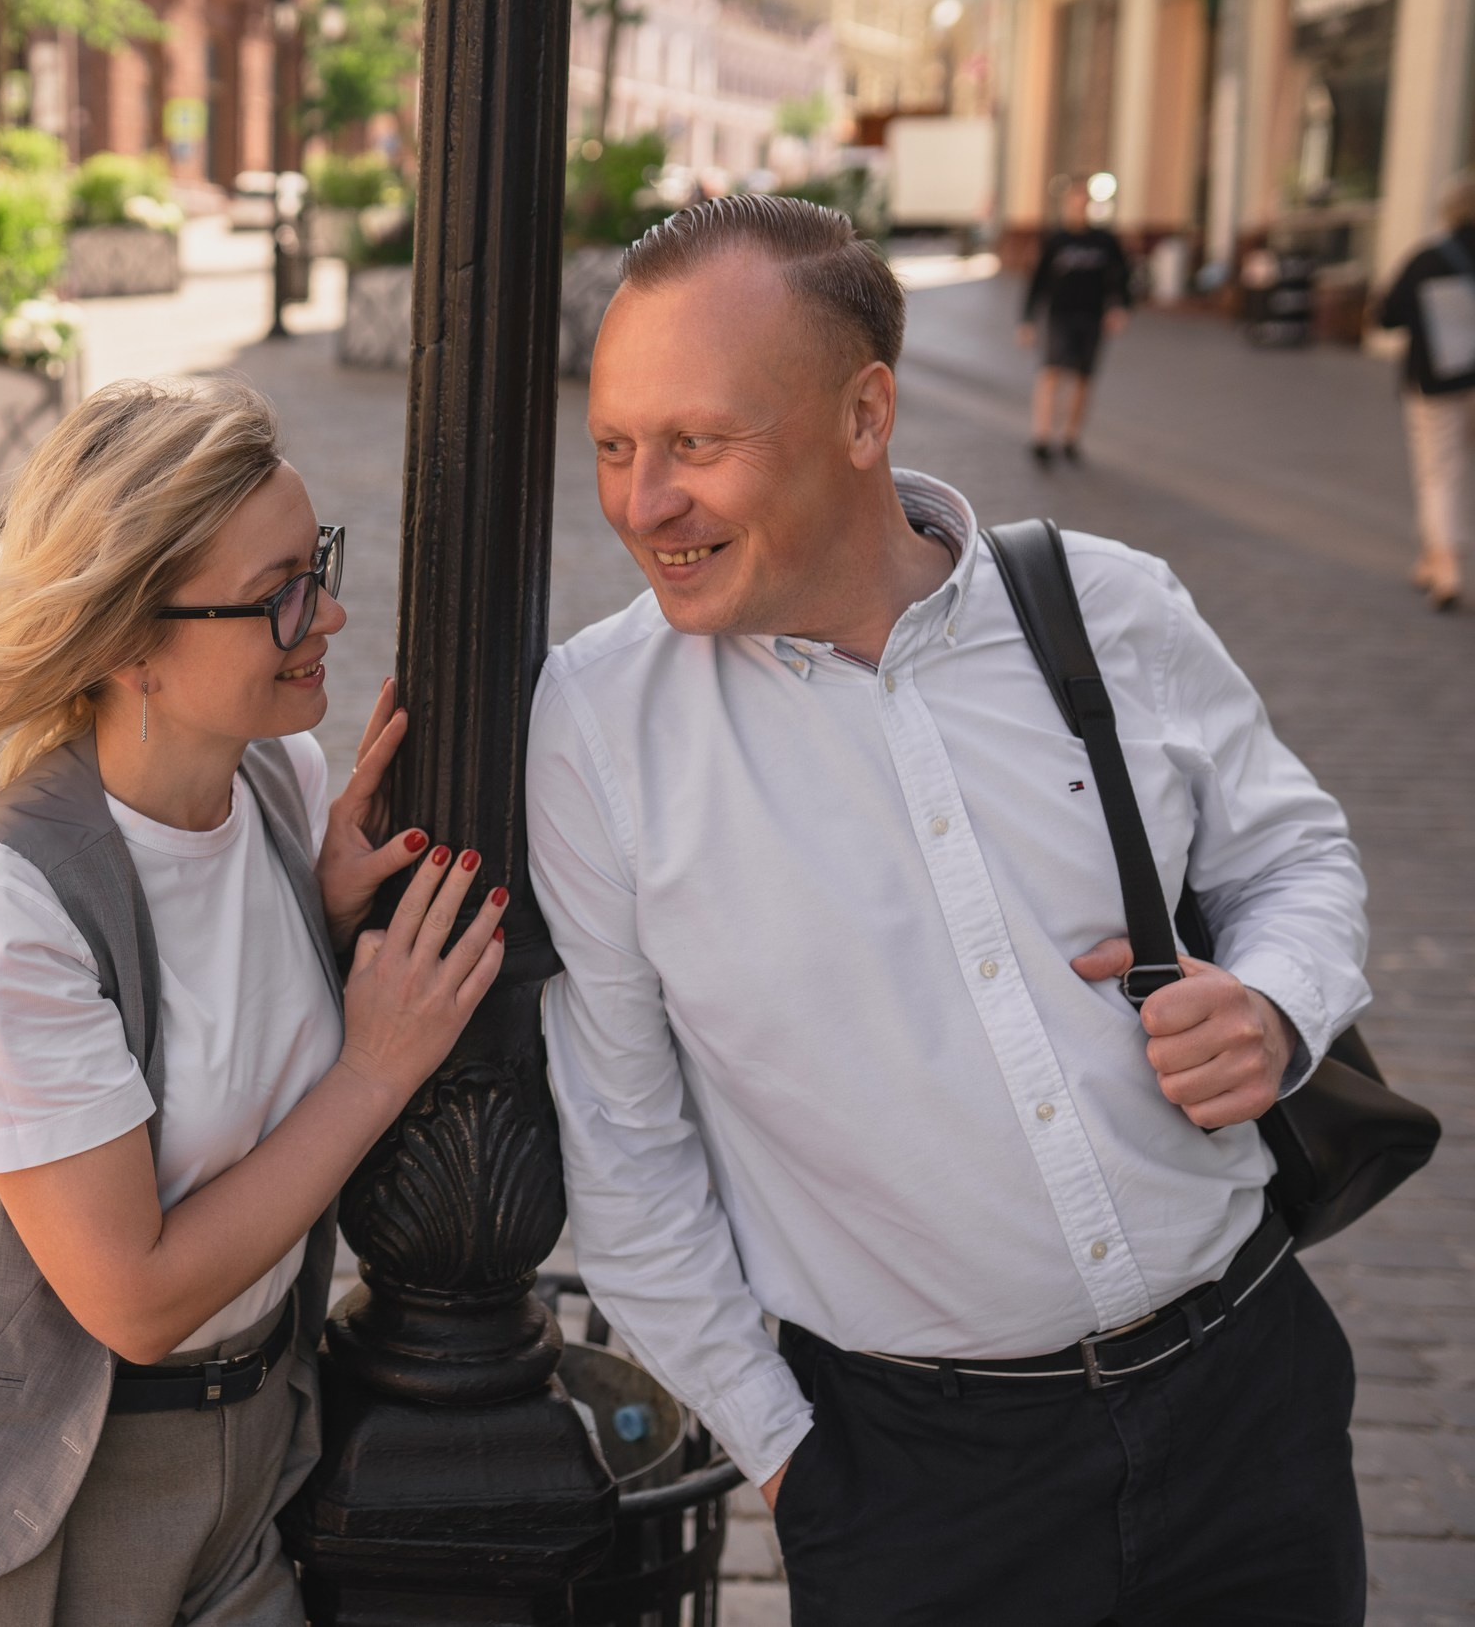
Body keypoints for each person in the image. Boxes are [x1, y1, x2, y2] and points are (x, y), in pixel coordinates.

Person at [532, 195, 1370, 1626]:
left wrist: (1278, 1003)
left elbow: (1297, 858)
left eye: (697, 444)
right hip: (920, 1493)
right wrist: (796, 1462)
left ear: (865, 416)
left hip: (1250, 1404)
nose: (643, 502)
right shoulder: (599, 727)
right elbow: (623, 1151)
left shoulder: (1112, 606)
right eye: (616, 445)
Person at [0, 376, 507, 1626]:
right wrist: (373, 1070)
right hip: (30, 1508)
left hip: (252, 1459)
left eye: (320, 567)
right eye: (279, 597)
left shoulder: (282, 787)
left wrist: (325, 918)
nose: (331, 615)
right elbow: (133, 1298)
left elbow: (215, 1029)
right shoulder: (7, 902)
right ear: (130, 640)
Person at [1372, 169, 1475, 611]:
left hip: (1437, 381)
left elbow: (1387, 316)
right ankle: (1431, 558)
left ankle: (1445, 564)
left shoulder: (1429, 259)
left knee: (1439, 471)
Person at [1019, 181, 1133, 467]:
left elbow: (1122, 277)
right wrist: (1027, 319)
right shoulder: (1055, 240)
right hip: (1060, 316)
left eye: (1084, 201)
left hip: (1092, 317)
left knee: (1083, 377)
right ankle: (1042, 437)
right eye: (1075, 201)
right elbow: (1037, 282)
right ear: (1068, 203)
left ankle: (1070, 438)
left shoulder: (1104, 241)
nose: (1079, 206)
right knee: (1051, 372)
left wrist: (1120, 307)